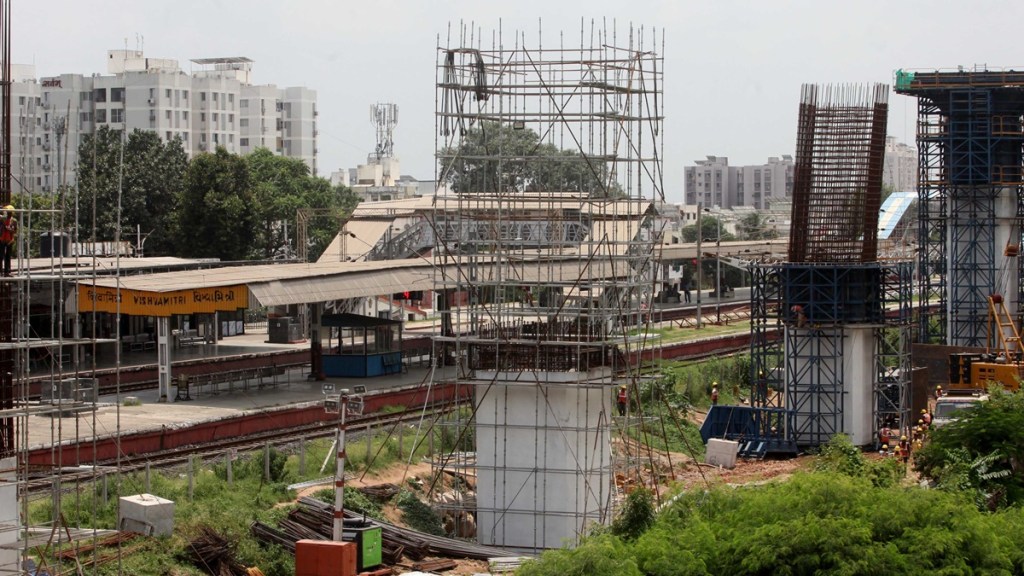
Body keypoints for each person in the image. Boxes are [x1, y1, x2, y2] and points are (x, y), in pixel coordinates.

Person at [0, 205, 16, 277]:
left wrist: (10, 229)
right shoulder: (2, 220)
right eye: (7, 212)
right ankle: (0, 271)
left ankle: (7, 272)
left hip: (9, 240)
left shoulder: (14, 221)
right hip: (2, 239)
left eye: (9, 212)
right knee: (1, 256)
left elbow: (15, 230)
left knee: (8, 256)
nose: (8, 213)